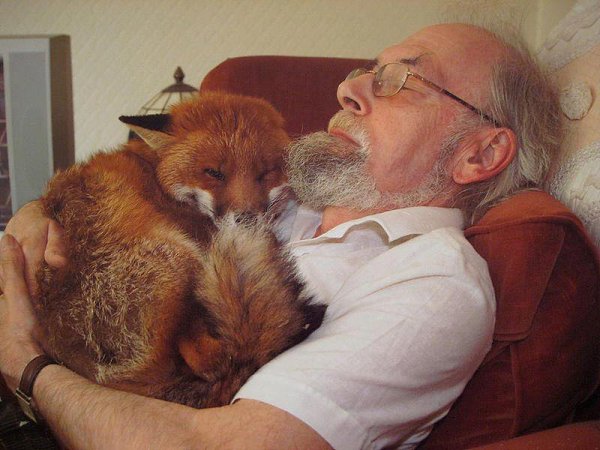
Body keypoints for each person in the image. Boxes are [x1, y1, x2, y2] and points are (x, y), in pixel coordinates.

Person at [0, 23, 560, 449]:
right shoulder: (285, 196)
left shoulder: (433, 285)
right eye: (366, 70)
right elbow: (140, 178)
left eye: (399, 81)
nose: (347, 89)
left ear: (480, 154)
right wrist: (38, 211)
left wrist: (26, 366)